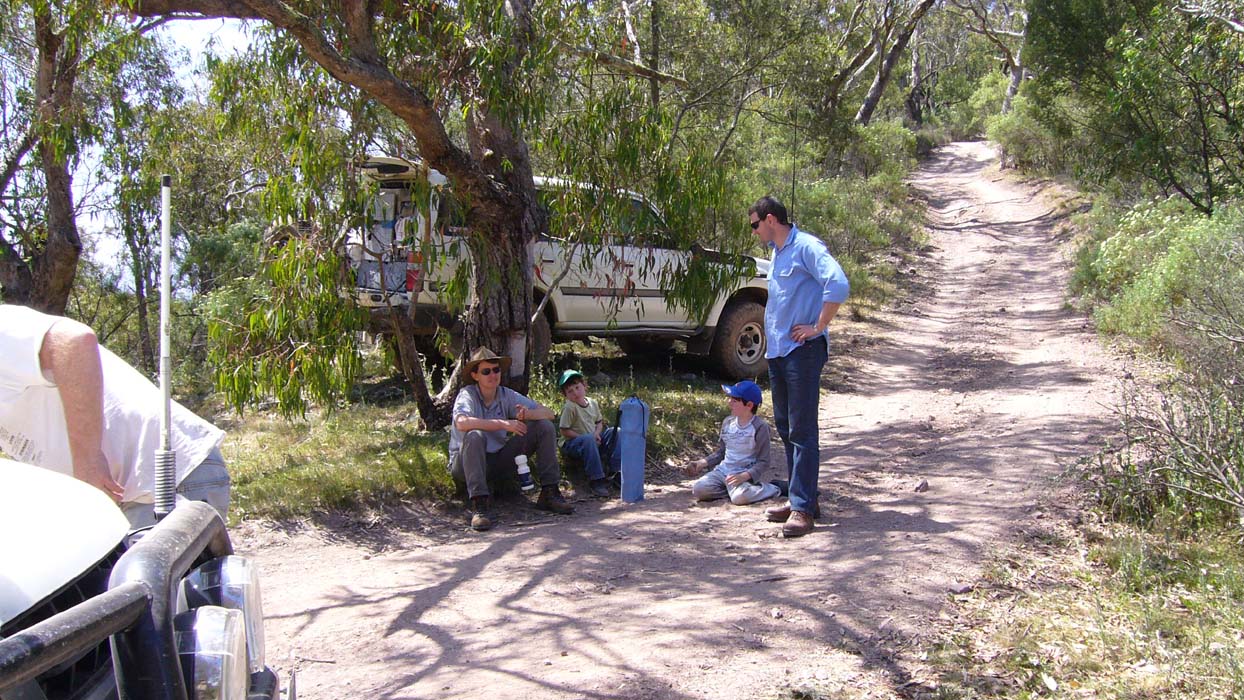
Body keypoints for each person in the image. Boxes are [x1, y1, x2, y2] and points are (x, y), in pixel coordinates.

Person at [0, 304, 231, 528]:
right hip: (125, 498)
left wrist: (88, 463)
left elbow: (73, 340)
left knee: (135, 569)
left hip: (164, 481)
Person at [748, 196, 850, 537]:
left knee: (803, 428)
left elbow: (838, 284)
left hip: (802, 351)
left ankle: (803, 509)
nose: (754, 231)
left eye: (755, 225)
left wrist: (817, 326)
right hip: (779, 352)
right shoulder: (778, 254)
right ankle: (800, 498)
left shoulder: (806, 246)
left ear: (771, 219)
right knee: (787, 427)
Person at [448, 347, 574, 531]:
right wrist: (503, 423)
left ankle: (549, 491)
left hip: (498, 460)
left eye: (496, 370)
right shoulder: (467, 395)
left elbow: (549, 414)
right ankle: (479, 504)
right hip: (466, 465)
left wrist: (527, 414)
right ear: (475, 375)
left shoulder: (506, 394)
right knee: (474, 435)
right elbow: (461, 423)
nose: (493, 375)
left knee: (543, 426)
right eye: (486, 371)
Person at [685, 380, 781, 505]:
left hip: (743, 475)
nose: (729, 402)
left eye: (734, 400)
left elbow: (764, 461)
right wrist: (701, 463)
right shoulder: (728, 422)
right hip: (722, 472)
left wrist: (745, 476)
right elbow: (722, 452)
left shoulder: (760, 427)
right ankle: (732, 491)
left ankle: (773, 488)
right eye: (730, 398)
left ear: (749, 405)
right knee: (699, 489)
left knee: (740, 498)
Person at [556, 369, 620, 499]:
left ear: (584, 386)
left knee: (617, 432)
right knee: (588, 440)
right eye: (570, 391)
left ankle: (617, 471)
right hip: (574, 443)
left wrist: (596, 434)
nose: (575, 393)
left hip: (592, 438)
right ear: (565, 395)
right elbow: (564, 430)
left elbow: (599, 422)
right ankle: (596, 480)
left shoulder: (592, 403)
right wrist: (587, 438)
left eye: (577, 387)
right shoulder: (570, 407)